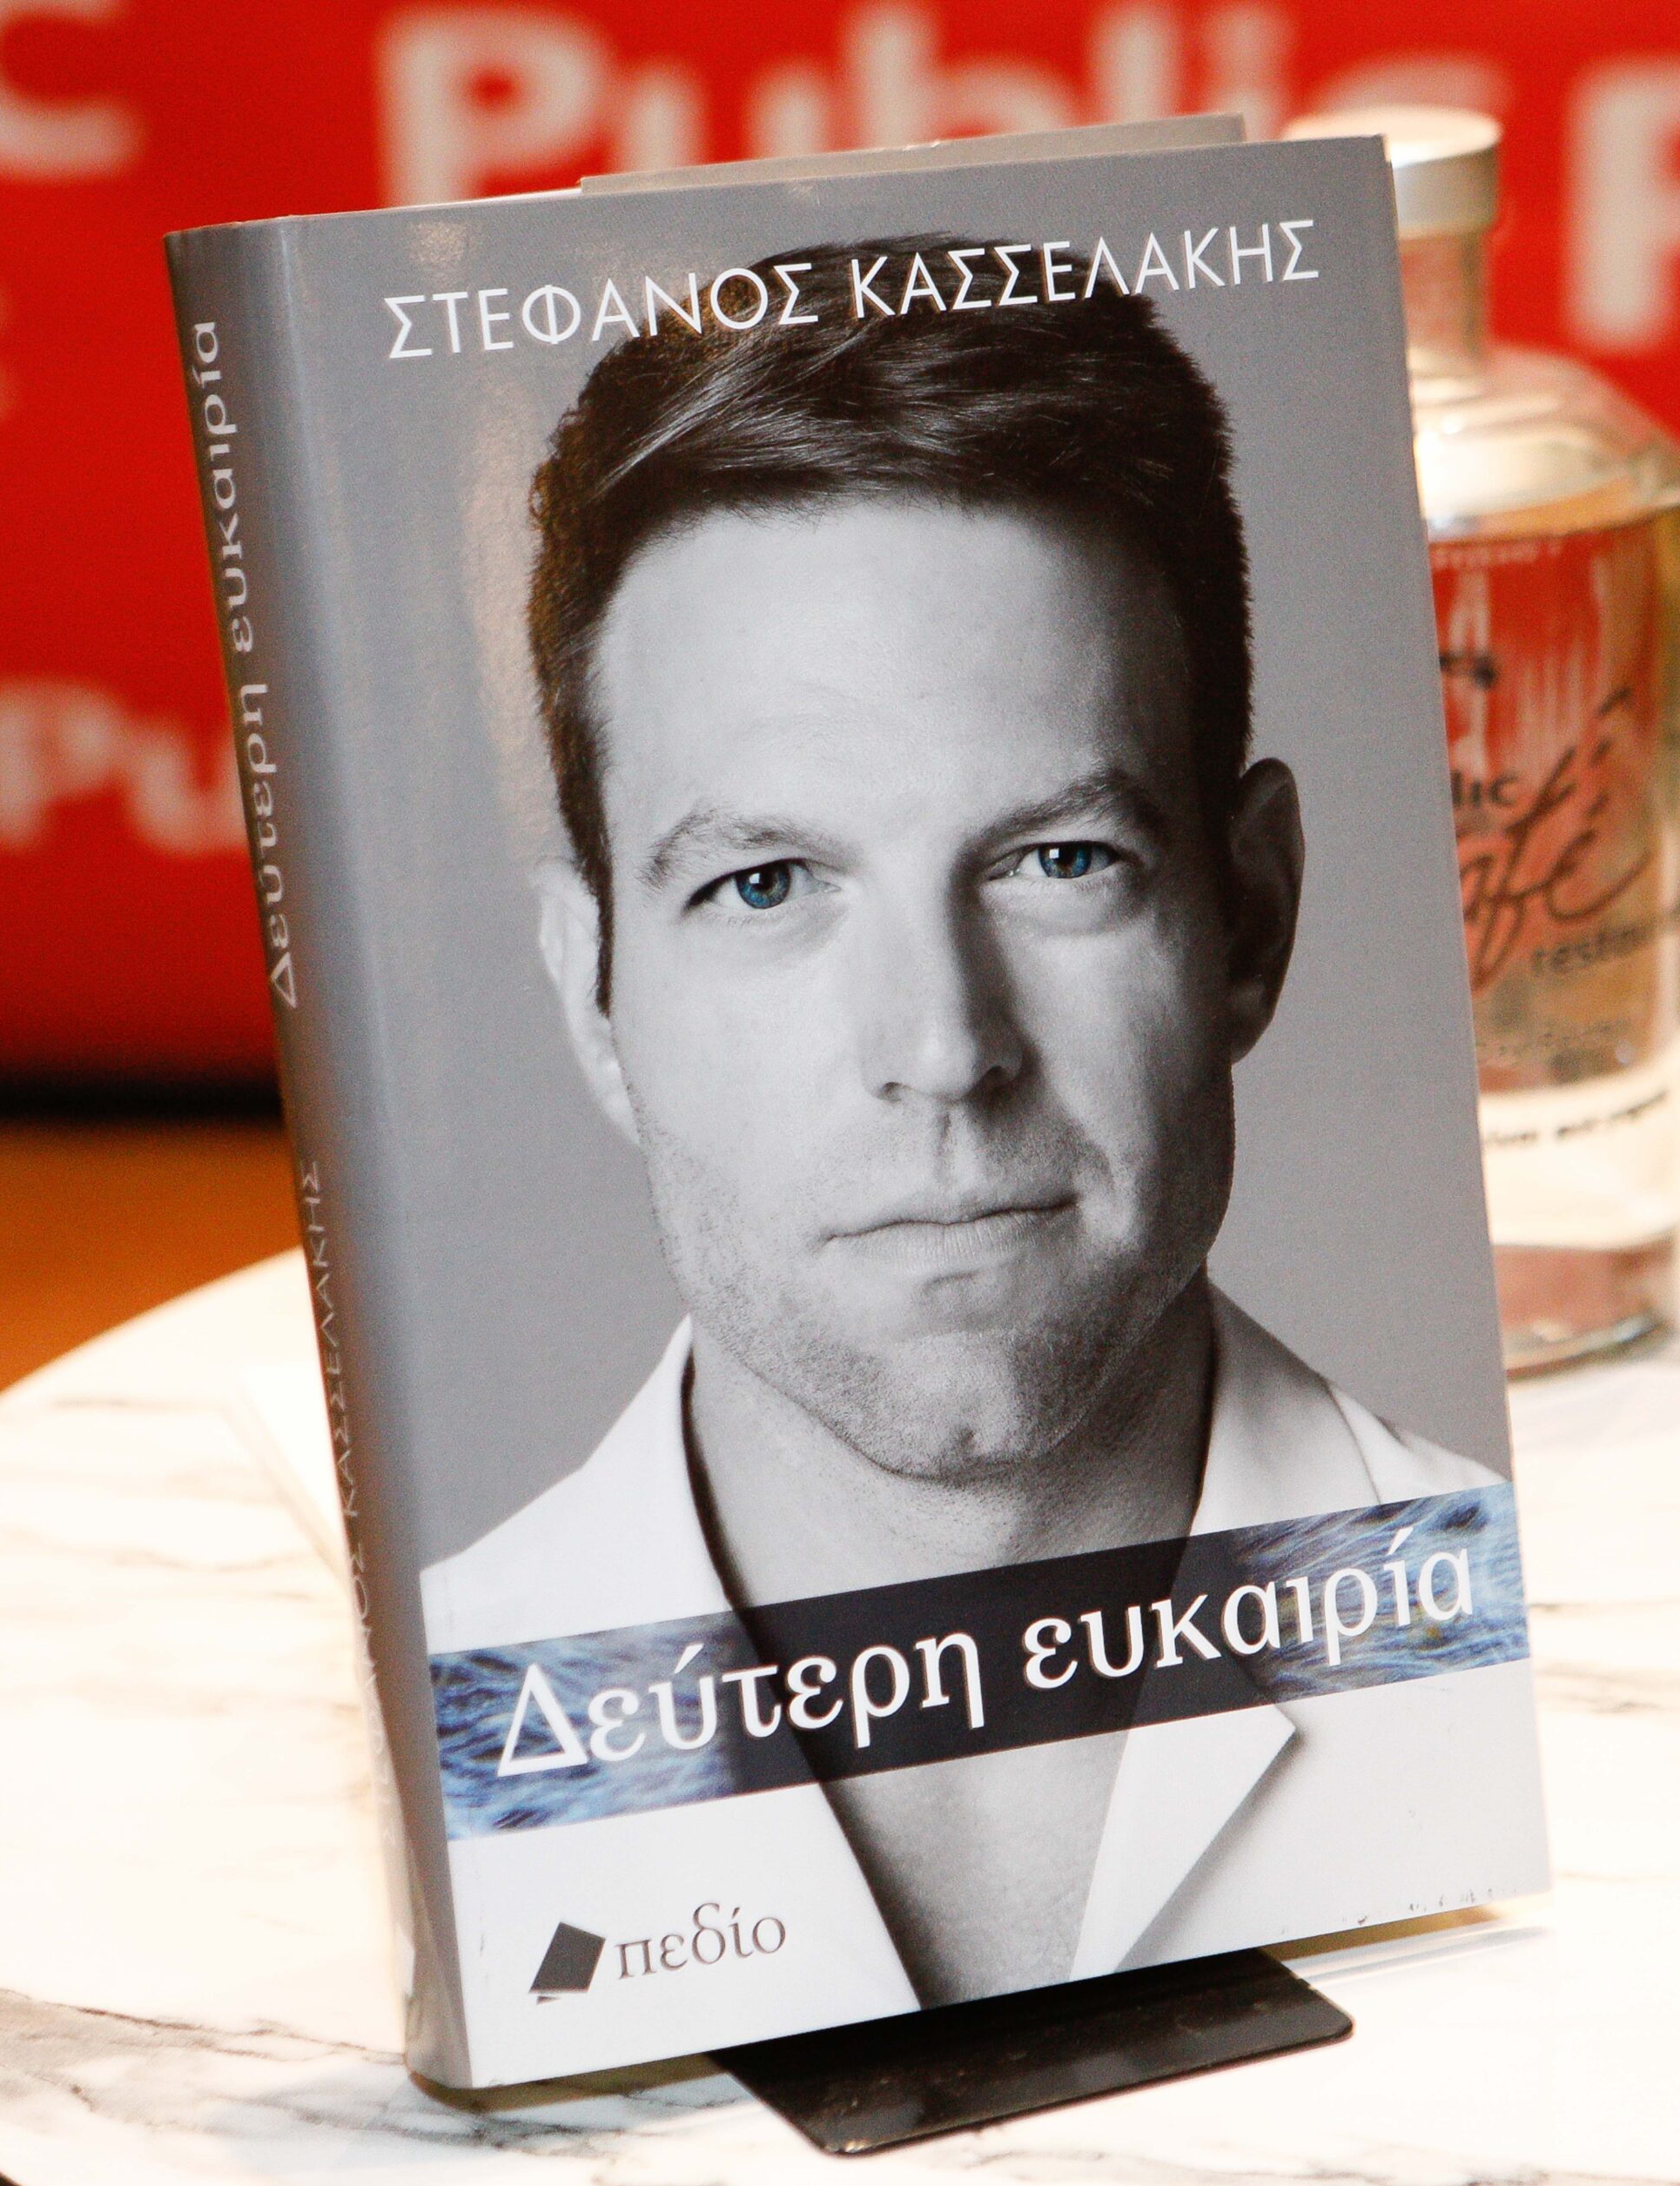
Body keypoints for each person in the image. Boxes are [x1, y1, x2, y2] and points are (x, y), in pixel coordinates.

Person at [422, 239, 1514, 2030]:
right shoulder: (414, 1735)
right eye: (767, 884)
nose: (943, 1051)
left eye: (1059, 861)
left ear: (1248, 918)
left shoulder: (1548, 1688)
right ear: (592, 994)